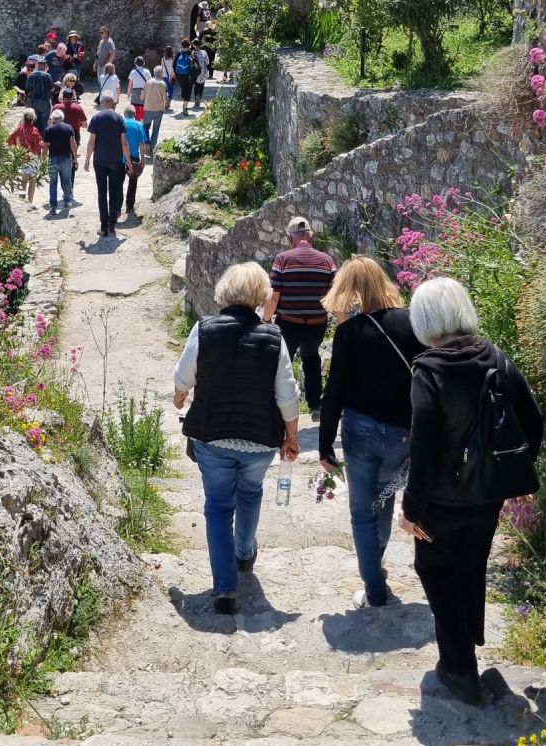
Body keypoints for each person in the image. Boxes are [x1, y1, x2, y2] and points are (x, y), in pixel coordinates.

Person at [399, 277, 543, 706]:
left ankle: (459, 669)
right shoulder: (495, 358)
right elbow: (533, 422)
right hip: (486, 497)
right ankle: (467, 648)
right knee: (470, 568)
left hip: (440, 503)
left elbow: (423, 448)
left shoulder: (428, 372)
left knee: (436, 573)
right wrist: (506, 471)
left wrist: (410, 509)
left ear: (424, 320)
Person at [173, 262, 301, 616]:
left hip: (212, 436)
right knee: (250, 492)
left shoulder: (205, 329)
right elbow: (287, 394)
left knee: (217, 507)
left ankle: (225, 589)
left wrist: (180, 393)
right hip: (260, 440)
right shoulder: (273, 338)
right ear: (260, 295)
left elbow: (184, 375)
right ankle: (244, 554)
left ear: (225, 292)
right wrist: (291, 436)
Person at [318, 258, 424, 610]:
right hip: (402, 431)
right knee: (385, 500)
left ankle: (374, 589)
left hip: (360, 430)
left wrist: (324, 445)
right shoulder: (413, 323)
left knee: (362, 511)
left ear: (349, 290)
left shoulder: (349, 332)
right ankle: (375, 570)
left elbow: (334, 391)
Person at [262, 217, 336, 420]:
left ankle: (279, 407)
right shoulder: (327, 261)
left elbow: (274, 297)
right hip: (316, 324)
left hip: (288, 323)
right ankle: (315, 407)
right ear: (311, 236)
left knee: (280, 362)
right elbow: (333, 295)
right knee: (311, 358)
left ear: (290, 238)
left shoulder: (282, 259)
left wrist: (266, 320)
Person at [83, 91, 130, 237]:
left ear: (103, 102)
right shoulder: (119, 118)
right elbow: (124, 143)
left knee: (102, 193)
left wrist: (87, 160)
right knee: (114, 192)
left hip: (100, 160)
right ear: (112, 103)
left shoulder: (96, 118)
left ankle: (103, 226)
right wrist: (129, 161)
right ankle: (112, 225)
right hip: (116, 160)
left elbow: (91, 142)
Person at [43, 107, 79, 213]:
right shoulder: (68, 128)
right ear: (62, 117)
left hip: (53, 158)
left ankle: (53, 206)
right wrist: (75, 159)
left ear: (52, 119)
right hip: (66, 158)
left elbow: (45, 147)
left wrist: (43, 159)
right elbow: (73, 144)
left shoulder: (48, 130)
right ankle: (67, 201)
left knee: (53, 182)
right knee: (67, 180)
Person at [6, 109, 43, 209]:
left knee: (23, 180)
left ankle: (22, 201)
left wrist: (16, 150)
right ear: (33, 118)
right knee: (32, 180)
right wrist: (38, 155)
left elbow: (10, 140)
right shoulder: (34, 130)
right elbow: (39, 146)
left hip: (23, 156)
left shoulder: (20, 129)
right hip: (33, 157)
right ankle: (30, 202)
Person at [121, 105, 149, 215]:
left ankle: (117, 207)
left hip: (120, 157)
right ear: (135, 114)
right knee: (133, 182)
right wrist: (143, 160)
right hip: (134, 157)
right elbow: (142, 144)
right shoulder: (139, 125)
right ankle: (129, 206)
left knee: (118, 182)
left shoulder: (120, 123)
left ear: (124, 114)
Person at [141, 65, 168, 155]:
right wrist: (165, 104)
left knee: (145, 127)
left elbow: (142, 96)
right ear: (161, 74)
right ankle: (153, 146)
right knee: (156, 128)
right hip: (158, 109)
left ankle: (147, 143)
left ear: (154, 73)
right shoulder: (162, 84)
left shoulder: (148, 82)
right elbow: (165, 98)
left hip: (148, 108)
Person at [24, 55, 54, 133]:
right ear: (45, 66)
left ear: (37, 65)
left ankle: (35, 137)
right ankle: (43, 138)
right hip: (44, 102)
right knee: (44, 121)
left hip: (33, 101)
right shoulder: (47, 75)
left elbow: (27, 88)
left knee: (35, 121)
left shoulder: (31, 75)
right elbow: (52, 89)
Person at [128, 55, 152, 121]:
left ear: (135, 63)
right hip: (144, 91)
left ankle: (137, 120)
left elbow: (130, 84)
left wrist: (128, 93)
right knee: (144, 106)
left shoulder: (133, 72)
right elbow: (150, 82)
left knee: (136, 107)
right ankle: (143, 120)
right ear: (143, 63)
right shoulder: (147, 71)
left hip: (135, 91)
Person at [173, 38, 194, 115]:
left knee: (183, 88)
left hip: (179, 75)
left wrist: (175, 73)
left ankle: (184, 104)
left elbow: (174, 64)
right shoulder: (191, 53)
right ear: (189, 45)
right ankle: (185, 108)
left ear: (181, 45)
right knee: (188, 90)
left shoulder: (179, 53)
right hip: (188, 75)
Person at [192, 40, 211, 113]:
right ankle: (199, 98)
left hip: (195, 72)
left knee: (196, 86)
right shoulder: (204, 52)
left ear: (194, 45)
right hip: (203, 72)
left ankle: (196, 98)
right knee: (201, 86)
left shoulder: (193, 53)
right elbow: (207, 62)